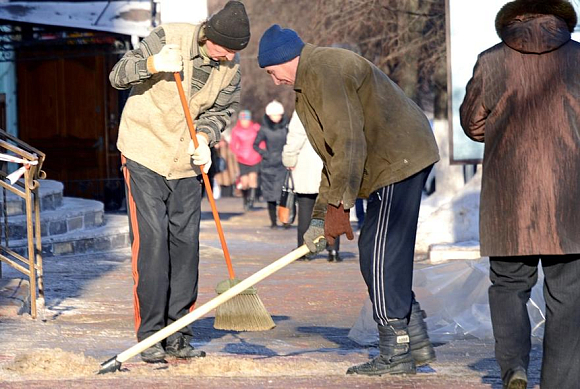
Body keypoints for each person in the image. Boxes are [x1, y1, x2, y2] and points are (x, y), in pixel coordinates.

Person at [258, 25, 440, 376]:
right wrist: (319, 216)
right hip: (389, 163)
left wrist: (339, 206)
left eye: (271, 71)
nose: (274, 80)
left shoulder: (326, 71)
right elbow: (331, 157)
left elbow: (349, 144)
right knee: (376, 250)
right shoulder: (309, 82)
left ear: (285, 58)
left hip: (397, 159)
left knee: (380, 253)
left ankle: (396, 352)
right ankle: (413, 338)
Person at [109, 0, 250, 363]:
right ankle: (151, 335)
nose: (228, 57)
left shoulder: (230, 70)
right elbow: (118, 74)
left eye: (235, 52)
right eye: (224, 49)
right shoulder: (168, 36)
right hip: (145, 153)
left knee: (185, 247)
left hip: (188, 164)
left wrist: (205, 138)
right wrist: (152, 65)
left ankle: (178, 332)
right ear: (208, 35)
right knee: (153, 242)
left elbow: (222, 110)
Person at [460, 1, 580, 388]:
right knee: (569, 295)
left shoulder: (491, 60)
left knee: (509, 286)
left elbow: (472, 122)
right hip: (570, 197)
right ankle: (561, 381)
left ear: (511, 21)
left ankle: (514, 367)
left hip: (508, 198)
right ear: (561, 19)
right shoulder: (578, 58)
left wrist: (504, 132)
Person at [282, 111, 341, 262]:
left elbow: (296, 135)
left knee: (306, 208)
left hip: (307, 163)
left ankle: (305, 250)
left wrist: (289, 158)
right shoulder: (337, 104)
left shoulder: (304, 106)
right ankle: (333, 250)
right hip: (331, 163)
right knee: (331, 209)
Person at [253, 100, 289, 229]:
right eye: (274, 115)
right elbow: (255, 145)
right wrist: (266, 154)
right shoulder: (264, 129)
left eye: (279, 115)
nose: (276, 117)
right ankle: (273, 222)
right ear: (268, 115)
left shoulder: (286, 128)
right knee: (270, 195)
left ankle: (285, 221)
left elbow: (291, 143)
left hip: (283, 164)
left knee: (284, 194)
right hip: (268, 166)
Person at [229, 109, 262, 211]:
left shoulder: (256, 128)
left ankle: (251, 202)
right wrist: (238, 153)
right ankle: (245, 200)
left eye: (246, 119)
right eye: (243, 120)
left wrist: (261, 151)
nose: (245, 122)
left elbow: (261, 141)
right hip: (242, 159)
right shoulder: (236, 130)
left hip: (255, 157)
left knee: (253, 179)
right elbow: (233, 145)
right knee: (244, 182)